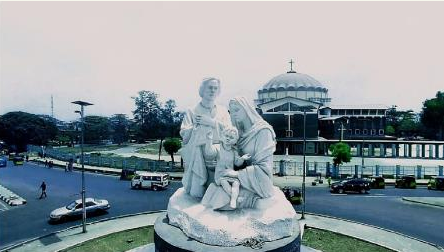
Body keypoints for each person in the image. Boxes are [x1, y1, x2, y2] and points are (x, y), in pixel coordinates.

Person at [202, 96, 276, 210]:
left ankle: (238, 199)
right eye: (231, 111)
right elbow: (233, 159)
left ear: (247, 109)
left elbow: (264, 169)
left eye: (237, 110)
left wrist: (236, 174)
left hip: (258, 180)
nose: (234, 114)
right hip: (236, 177)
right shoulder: (237, 133)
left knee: (222, 196)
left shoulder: (263, 131)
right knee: (215, 192)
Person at [180, 77, 232, 198]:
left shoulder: (223, 111)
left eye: (215, 88)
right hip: (198, 155)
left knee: (218, 189)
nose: (212, 90)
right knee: (197, 192)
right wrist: (195, 127)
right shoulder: (192, 110)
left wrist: (211, 122)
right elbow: (184, 134)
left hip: (218, 155)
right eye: (210, 87)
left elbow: (230, 132)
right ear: (202, 90)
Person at [204, 127, 251, 209]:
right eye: (226, 136)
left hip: (230, 173)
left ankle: (233, 200)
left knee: (236, 183)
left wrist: (242, 158)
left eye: (231, 137)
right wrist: (209, 140)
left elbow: (237, 163)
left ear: (235, 140)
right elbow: (209, 153)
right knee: (224, 182)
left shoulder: (234, 151)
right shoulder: (217, 147)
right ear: (222, 136)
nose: (228, 139)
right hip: (220, 175)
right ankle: (234, 198)